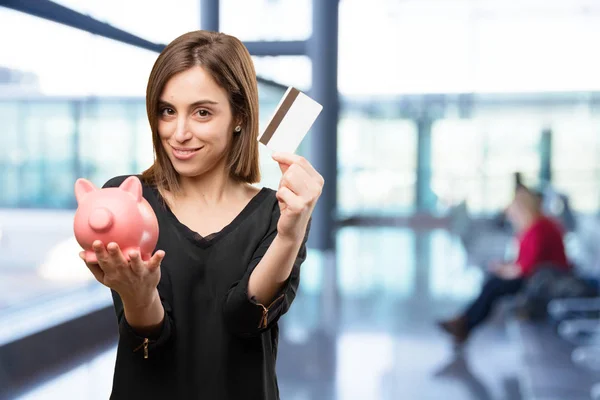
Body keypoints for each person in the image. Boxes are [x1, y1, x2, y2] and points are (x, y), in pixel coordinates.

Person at [79, 30, 324, 399]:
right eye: (167, 111)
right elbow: (150, 339)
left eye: (202, 113)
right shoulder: (128, 199)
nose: (179, 133)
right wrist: (138, 295)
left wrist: (289, 233)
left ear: (239, 116)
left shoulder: (281, 211)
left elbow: (244, 318)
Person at [438, 186, 569, 345]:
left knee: (494, 285)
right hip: (539, 276)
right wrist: (504, 267)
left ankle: (464, 323)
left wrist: (504, 270)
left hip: (546, 280)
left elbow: (526, 268)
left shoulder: (539, 229)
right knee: (492, 282)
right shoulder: (534, 226)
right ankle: (464, 322)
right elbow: (524, 261)